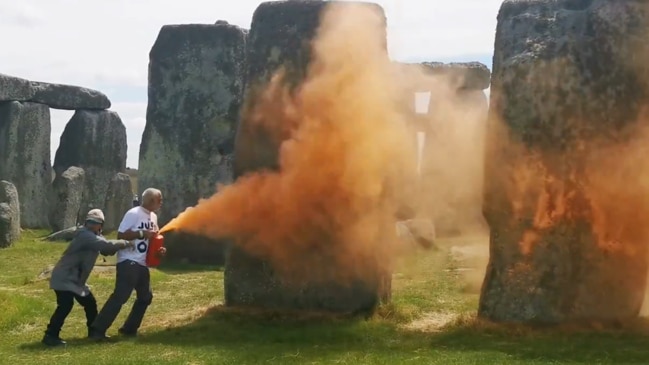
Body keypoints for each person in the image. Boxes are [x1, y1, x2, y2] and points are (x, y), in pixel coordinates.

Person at [42, 209, 134, 347]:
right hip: (65, 277)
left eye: (96, 222)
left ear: (100, 225)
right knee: (65, 305)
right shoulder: (85, 235)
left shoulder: (94, 236)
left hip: (75, 280)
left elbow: (106, 249)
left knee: (90, 303)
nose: (92, 224)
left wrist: (119, 246)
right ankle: (50, 335)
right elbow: (105, 245)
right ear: (86, 222)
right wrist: (126, 243)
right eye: (90, 221)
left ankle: (94, 333)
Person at [89, 188, 166, 340]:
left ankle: (129, 329)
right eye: (159, 199)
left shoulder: (154, 217)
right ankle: (97, 330)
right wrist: (142, 233)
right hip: (128, 260)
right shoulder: (133, 213)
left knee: (146, 297)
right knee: (121, 296)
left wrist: (159, 249)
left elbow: (152, 239)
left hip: (142, 263)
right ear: (151, 200)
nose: (161, 202)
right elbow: (121, 235)